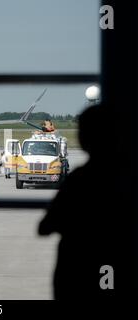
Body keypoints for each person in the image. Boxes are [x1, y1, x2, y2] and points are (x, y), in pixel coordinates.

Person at [38, 105, 118, 300]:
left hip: (75, 265)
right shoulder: (125, 178)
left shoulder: (79, 179)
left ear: (84, 139)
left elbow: (45, 227)